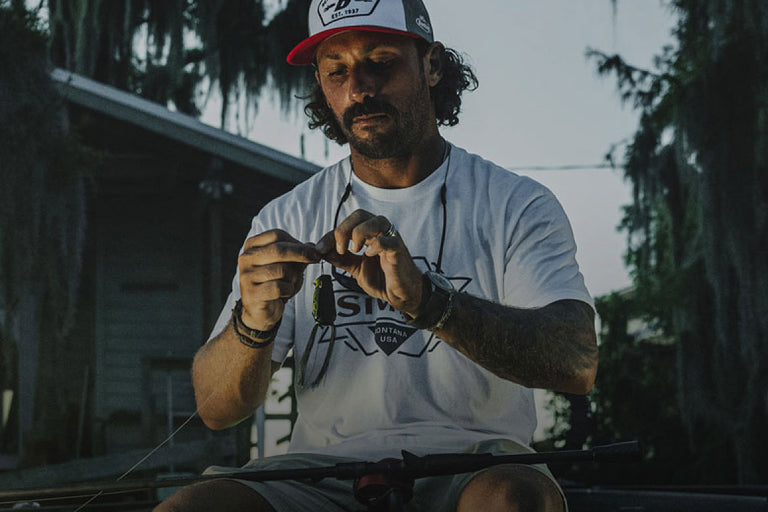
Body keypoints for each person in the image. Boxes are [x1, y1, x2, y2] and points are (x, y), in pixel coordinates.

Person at [155, 0, 598, 510]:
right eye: (336, 70)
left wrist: (431, 303)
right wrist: (252, 322)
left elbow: (576, 360)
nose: (359, 88)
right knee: (190, 507)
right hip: (323, 475)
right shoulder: (289, 216)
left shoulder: (514, 203)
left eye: (381, 61)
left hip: (473, 466)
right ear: (321, 84)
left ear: (431, 65)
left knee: (516, 499)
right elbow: (216, 410)